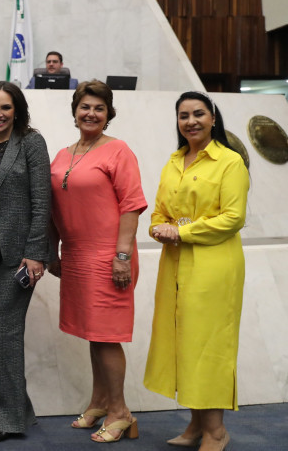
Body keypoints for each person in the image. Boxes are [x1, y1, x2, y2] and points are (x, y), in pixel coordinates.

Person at [144, 91, 249, 451]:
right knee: (183, 342)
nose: (191, 121)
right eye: (184, 115)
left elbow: (233, 218)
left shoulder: (230, 161)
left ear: (213, 118)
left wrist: (182, 231)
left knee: (208, 346)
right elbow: (159, 211)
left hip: (214, 265)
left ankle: (216, 431)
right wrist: (158, 228)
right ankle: (196, 423)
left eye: (199, 114)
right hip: (175, 262)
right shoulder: (174, 161)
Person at [47, 80, 147, 443]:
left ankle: (121, 412)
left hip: (110, 256)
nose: (91, 113)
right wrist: (53, 250)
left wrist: (122, 256)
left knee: (106, 336)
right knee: (93, 334)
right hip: (75, 255)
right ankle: (100, 401)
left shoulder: (119, 151)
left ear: (108, 114)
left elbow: (132, 205)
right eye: (85, 107)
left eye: (99, 108)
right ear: (75, 111)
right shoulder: (62, 154)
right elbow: (53, 208)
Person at [0, 82, 51, 443]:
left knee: (3, 329)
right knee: (5, 331)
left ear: (17, 109)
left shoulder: (31, 142)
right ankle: (21, 409)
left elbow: (41, 200)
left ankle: (5, 419)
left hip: (20, 255)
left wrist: (35, 252)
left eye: (5, 107)